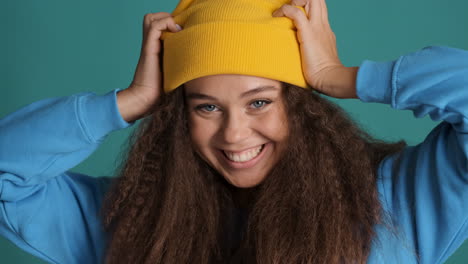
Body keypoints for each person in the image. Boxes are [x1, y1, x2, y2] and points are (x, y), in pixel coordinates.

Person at [1, 0, 467, 263]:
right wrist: (128, 102)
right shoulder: (132, 218)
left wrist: (342, 76)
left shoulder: (396, 203)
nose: (234, 133)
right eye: (206, 107)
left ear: (302, 106)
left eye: (259, 101)